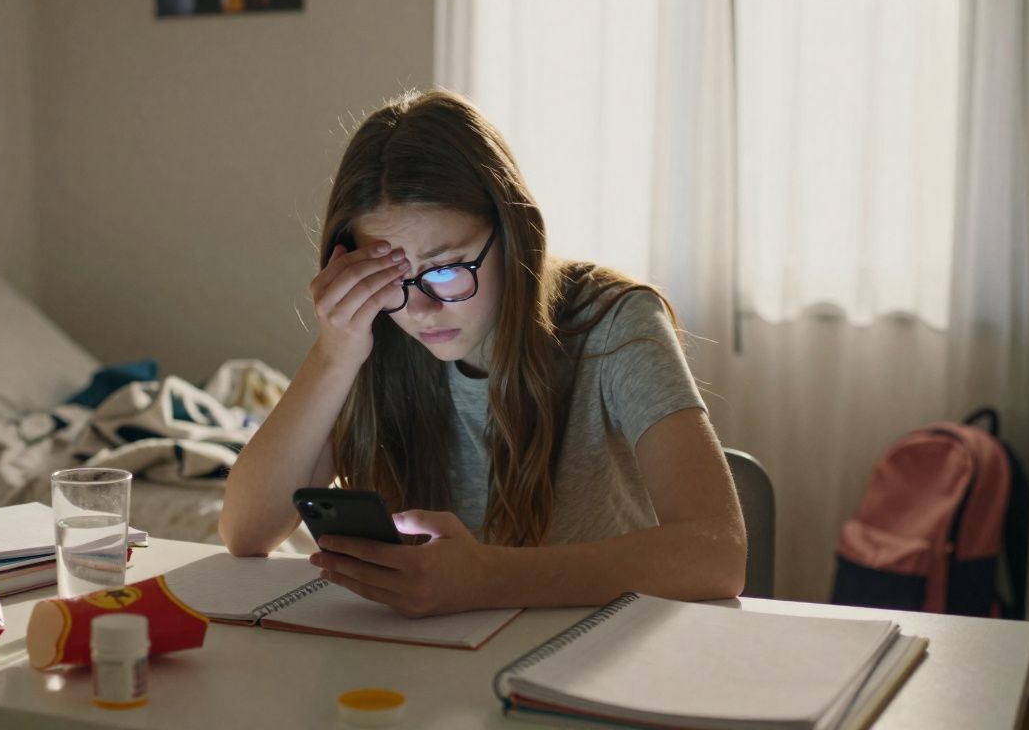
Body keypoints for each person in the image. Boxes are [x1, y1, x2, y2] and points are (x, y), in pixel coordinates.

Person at [220, 89, 746, 617]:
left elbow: (718, 552)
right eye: (392, 278)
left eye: (447, 269)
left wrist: (490, 578)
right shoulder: (372, 330)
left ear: (516, 236)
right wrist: (334, 355)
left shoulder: (613, 322)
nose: (421, 309)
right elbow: (246, 532)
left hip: (585, 652)